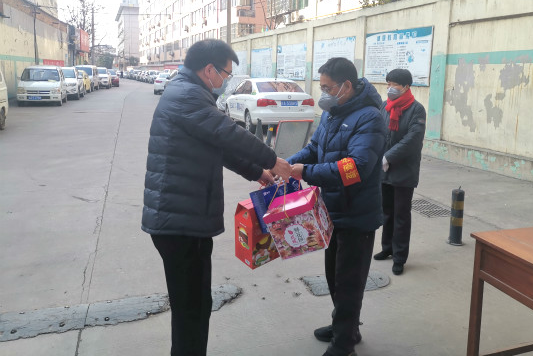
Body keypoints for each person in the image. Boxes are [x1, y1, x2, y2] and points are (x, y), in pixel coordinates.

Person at [141, 39, 292, 356]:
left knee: (194, 304)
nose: (226, 81)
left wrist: (257, 171)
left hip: (184, 218)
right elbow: (228, 133)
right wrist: (272, 161)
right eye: (226, 73)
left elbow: (217, 146)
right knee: (192, 308)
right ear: (209, 70)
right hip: (180, 223)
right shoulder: (188, 96)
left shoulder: (189, 92)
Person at [288, 57, 386, 356]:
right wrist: (287, 165)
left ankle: (344, 344)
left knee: (349, 282)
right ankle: (345, 327)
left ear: (347, 86)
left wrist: (305, 172)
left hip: (357, 214)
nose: (324, 94)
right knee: (334, 276)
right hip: (332, 210)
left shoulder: (370, 117)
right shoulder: (332, 113)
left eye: (328, 88)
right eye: (321, 88)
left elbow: (355, 168)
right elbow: (315, 148)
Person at [372, 69, 426, 276]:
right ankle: (387, 248)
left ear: (406, 87)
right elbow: (379, 132)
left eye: (393, 84)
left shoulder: (416, 110)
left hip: (404, 170)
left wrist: (388, 156)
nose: (389, 88)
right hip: (384, 169)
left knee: (401, 215)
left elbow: (412, 140)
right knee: (387, 212)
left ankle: (400, 256)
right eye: (388, 84)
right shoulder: (385, 106)